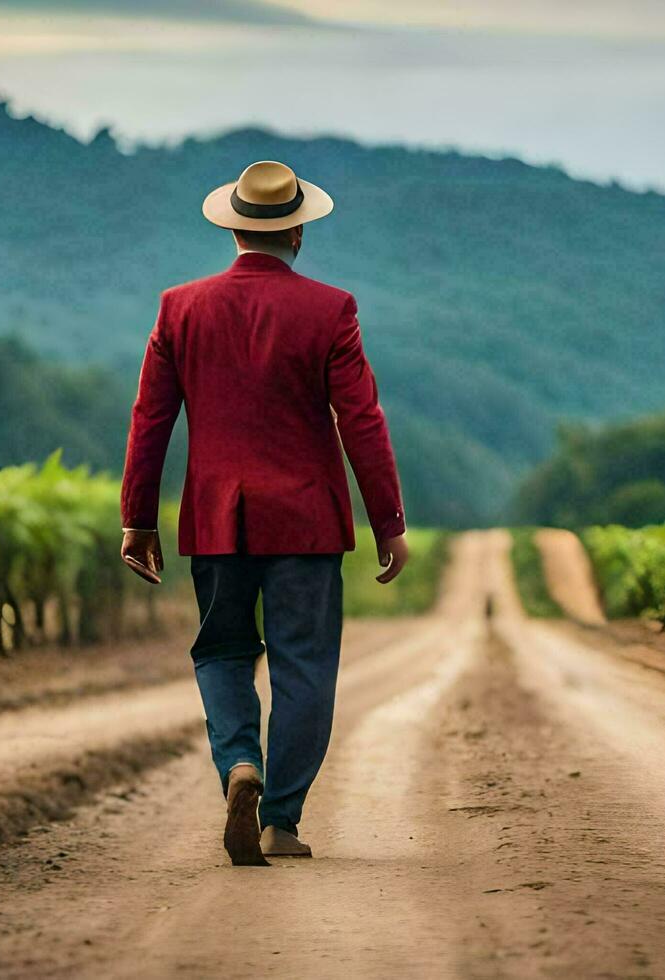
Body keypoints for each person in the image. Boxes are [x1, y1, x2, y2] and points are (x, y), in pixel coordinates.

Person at [119, 160, 409, 867]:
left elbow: (150, 419)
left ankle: (239, 764)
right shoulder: (331, 309)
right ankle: (280, 818)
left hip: (217, 519)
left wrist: (138, 517)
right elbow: (361, 420)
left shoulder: (179, 308)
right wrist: (388, 522)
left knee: (221, 650)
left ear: (235, 228)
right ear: (299, 232)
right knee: (304, 665)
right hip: (308, 522)